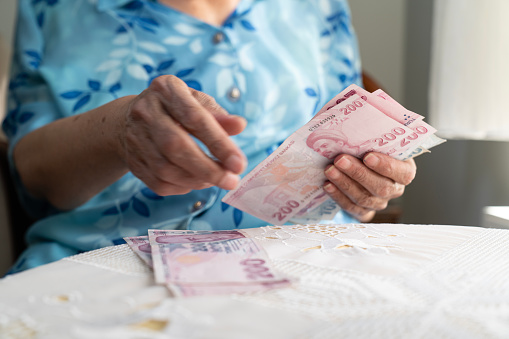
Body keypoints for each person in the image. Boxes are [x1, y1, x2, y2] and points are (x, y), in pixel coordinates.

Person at [3, 0, 416, 274]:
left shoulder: (318, 6)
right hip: (107, 267)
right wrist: (116, 130)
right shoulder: (56, 8)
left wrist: (362, 189)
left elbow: (343, 143)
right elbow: (34, 183)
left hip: (309, 264)